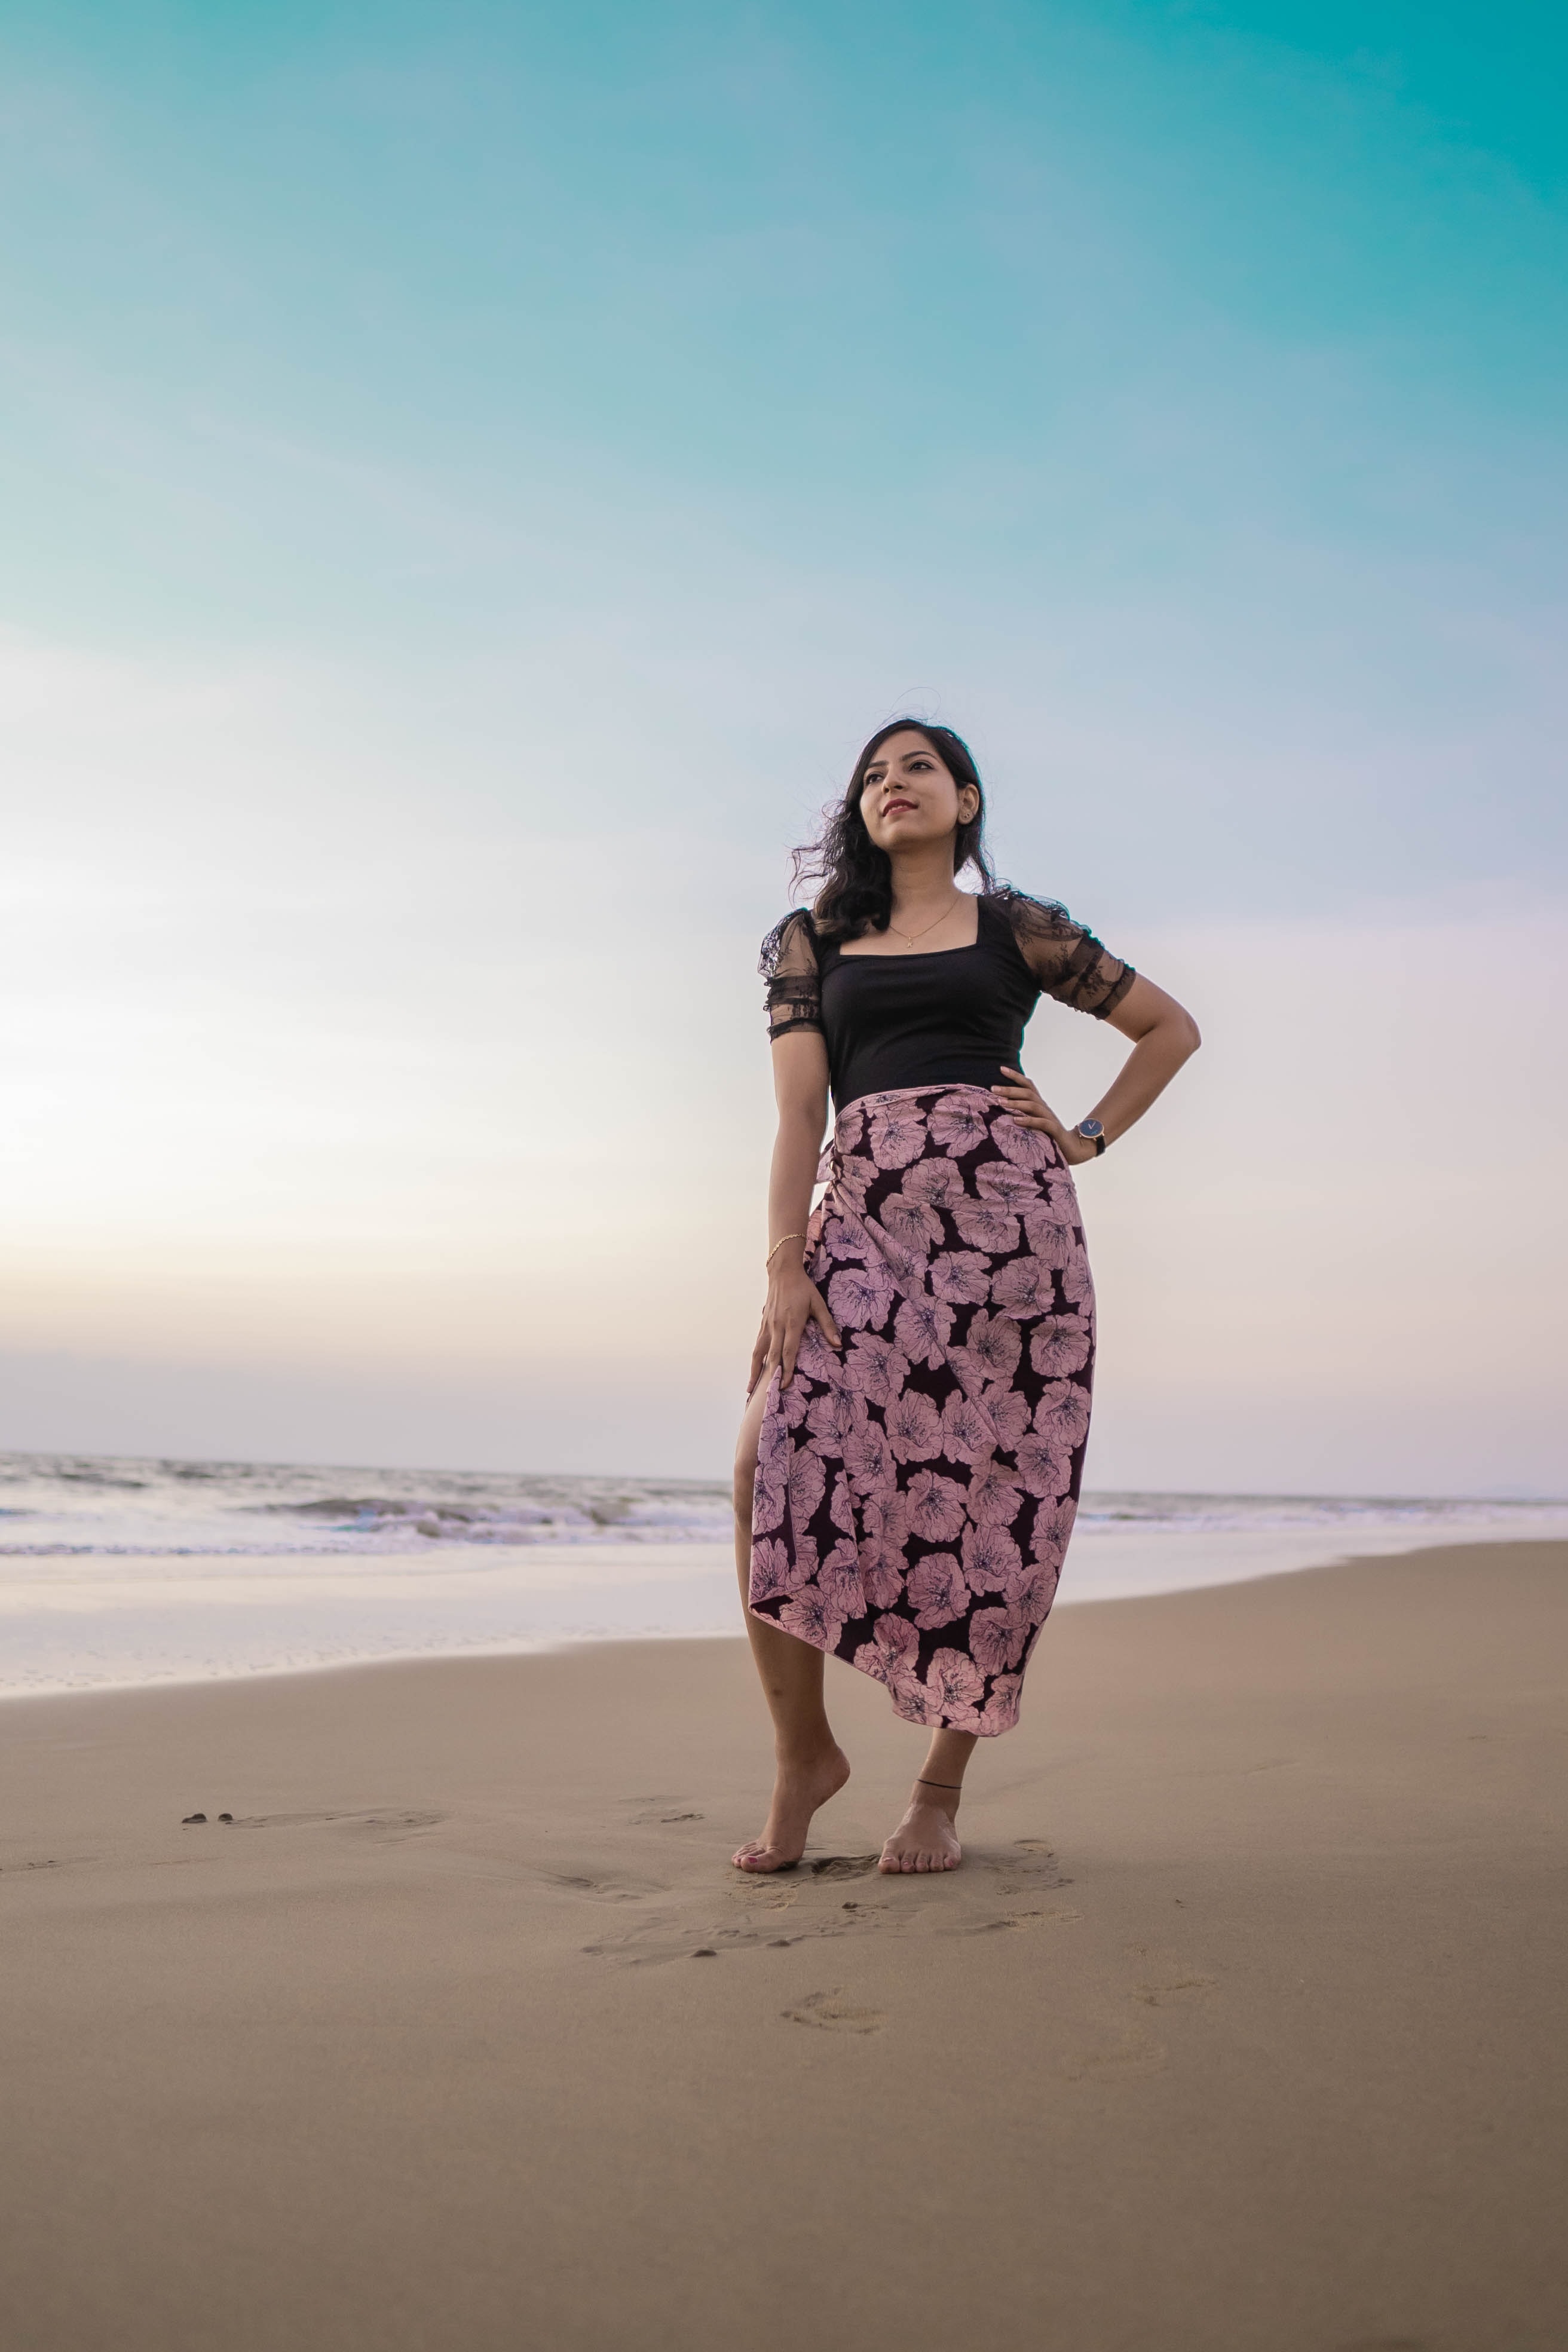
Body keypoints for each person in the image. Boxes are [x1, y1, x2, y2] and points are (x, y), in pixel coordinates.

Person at [732, 720, 1200, 1876]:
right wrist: (785, 1261)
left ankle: (937, 1795)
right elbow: (800, 1116)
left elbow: (1168, 1029)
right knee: (763, 1458)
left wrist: (1085, 1136)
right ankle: (806, 1757)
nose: (894, 785)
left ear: (968, 798)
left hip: (1016, 1255)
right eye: (875, 775)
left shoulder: (1019, 929)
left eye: (918, 768)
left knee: (996, 1505)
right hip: (868, 1230)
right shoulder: (813, 942)